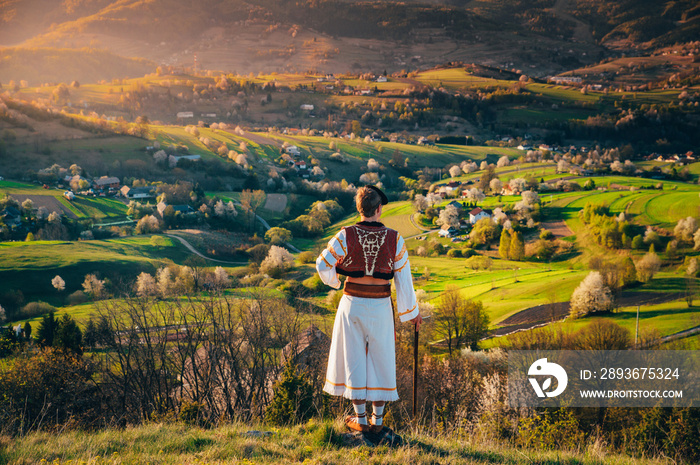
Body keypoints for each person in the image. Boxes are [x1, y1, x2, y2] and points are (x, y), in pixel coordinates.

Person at [316, 185, 422, 433]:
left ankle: (361, 421)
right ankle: (378, 422)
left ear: (359, 208)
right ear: (379, 208)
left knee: (354, 360)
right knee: (380, 360)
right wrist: (412, 312)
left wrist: (335, 280)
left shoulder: (345, 235)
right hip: (380, 306)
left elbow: (322, 264)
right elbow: (403, 280)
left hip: (351, 304)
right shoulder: (395, 238)